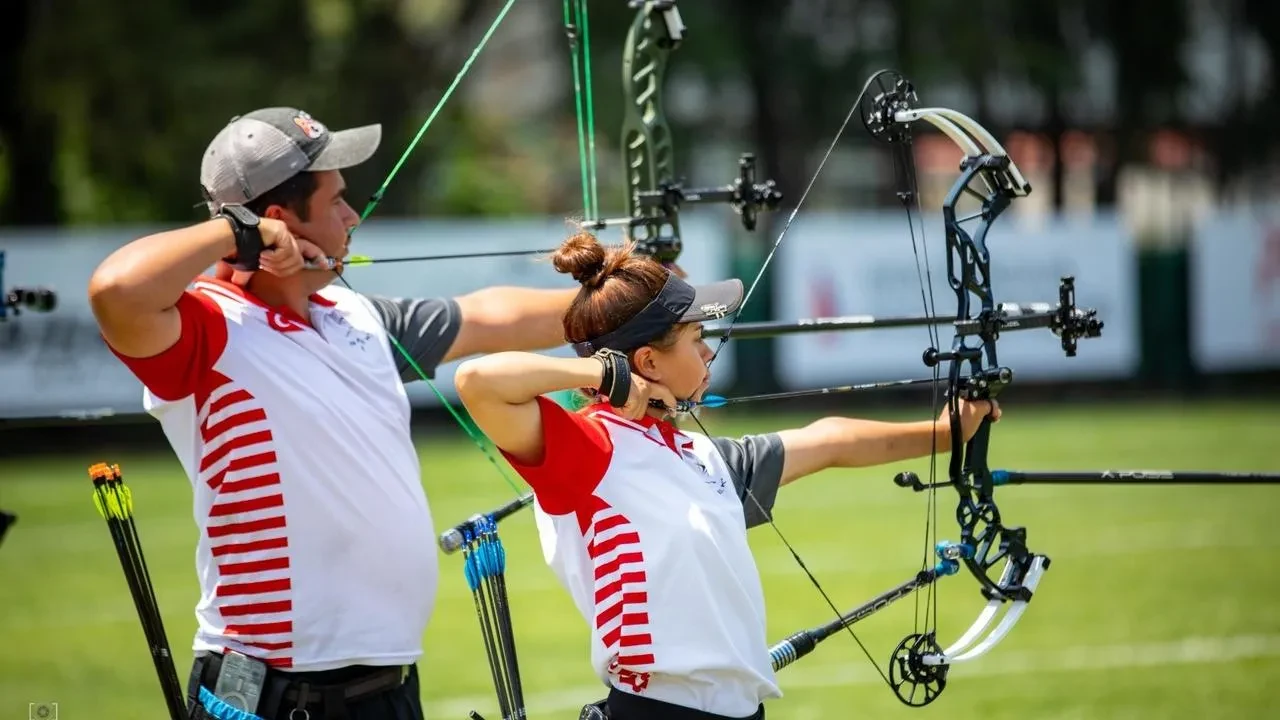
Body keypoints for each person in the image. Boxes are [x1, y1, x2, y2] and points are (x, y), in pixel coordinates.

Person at [88, 107, 589, 720]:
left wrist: (621, 298)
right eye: (336, 202)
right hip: (276, 693)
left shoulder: (355, 317)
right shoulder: (205, 330)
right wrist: (236, 235)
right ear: (277, 222)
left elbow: (488, 317)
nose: (353, 217)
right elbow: (114, 291)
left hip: (388, 689)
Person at [453, 232, 1001, 720]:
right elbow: (478, 379)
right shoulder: (587, 448)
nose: (710, 350)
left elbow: (830, 440)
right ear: (647, 362)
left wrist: (946, 431)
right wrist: (603, 372)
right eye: (697, 339)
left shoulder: (700, 456)